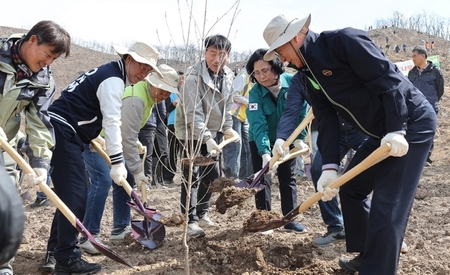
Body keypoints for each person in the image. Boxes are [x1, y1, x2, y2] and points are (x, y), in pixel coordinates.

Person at [263, 14, 436, 274]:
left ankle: (377, 269)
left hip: (411, 123)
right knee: (352, 189)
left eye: (281, 50)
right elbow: (327, 119)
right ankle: (368, 255)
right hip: (382, 133)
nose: (281, 58)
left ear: (296, 37)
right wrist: (330, 166)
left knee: (387, 204)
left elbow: (388, 80)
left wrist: (397, 128)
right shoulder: (306, 76)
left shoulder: (343, 42)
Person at [42, 41, 162, 274]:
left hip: (70, 131)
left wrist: (99, 139)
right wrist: (117, 162)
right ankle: (66, 258)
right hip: (63, 129)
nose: (143, 73)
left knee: (71, 195)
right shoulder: (113, 80)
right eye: (141, 66)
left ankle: (55, 252)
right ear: (128, 59)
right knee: (76, 194)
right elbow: (112, 121)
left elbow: (92, 111)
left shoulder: (111, 73)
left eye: (148, 70)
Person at [0, 20, 71, 275]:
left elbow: (40, 124)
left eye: (54, 58)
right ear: (32, 40)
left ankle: (3, 266)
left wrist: (41, 164)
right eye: (48, 55)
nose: (49, 62)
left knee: (6, 208)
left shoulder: (43, 81)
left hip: (3, 148)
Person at [175, 34, 239, 238]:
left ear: (228, 55)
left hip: (213, 132)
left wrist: (227, 127)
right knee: (191, 176)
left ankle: (202, 214)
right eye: (213, 53)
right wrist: (207, 138)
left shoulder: (228, 75)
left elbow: (227, 105)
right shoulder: (193, 76)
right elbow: (193, 113)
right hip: (191, 131)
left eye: (222, 54)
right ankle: (190, 220)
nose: (217, 59)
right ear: (205, 53)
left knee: (209, 176)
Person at [246, 48, 308, 234]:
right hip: (260, 139)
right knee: (262, 179)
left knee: (287, 178)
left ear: (277, 66)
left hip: (287, 141)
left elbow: (301, 114)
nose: (261, 76)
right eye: (256, 73)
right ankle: (264, 220)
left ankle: (289, 219)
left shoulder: (294, 82)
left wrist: (298, 139)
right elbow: (257, 123)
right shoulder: (255, 92)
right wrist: (265, 151)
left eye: (265, 70)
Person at [408, 45, 444, 165]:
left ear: (423, 56)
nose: (413, 58)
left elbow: (440, 90)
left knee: (429, 132)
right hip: (414, 107)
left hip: (431, 106)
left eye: (415, 56)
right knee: (414, 131)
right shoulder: (411, 72)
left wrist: (432, 101)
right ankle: (415, 156)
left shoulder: (435, 71)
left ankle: (426, 157)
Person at [222, 66, 253, 180]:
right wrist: (247, 102)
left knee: (247, 146)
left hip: (243, 117)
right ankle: (232, 178)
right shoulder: (243, 76)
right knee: (235, 147)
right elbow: (233, 93)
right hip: (234, 114)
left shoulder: (251, 78)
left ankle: (245, 177)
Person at [163, 70, 184, 185]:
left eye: (183, 78)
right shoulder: (169, 93)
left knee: (184, 152)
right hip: (172, 124)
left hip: (184, 125)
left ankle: (186, 177)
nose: (182, 81)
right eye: (180, 78)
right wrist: (173, 104)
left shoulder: (186, 93)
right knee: (172, 152)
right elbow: (165, 109)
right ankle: (168, 177)